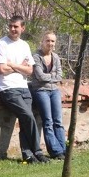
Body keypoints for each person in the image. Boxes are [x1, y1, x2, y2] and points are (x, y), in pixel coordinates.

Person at [0, 15, 47, 164]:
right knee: (28, 116)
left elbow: (29, 71)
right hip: (7, 87)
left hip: (23, 86)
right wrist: (20, 66)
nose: (13, 29)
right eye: (10, 26)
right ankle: (38, 152)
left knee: (26, 120)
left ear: (23, 28)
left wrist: (13, 65)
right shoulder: (1, 44)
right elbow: (2, 70)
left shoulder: (24, 45)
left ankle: (28, 155)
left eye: (16, 26)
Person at [30, 31, 67, 159]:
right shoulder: (36, 57)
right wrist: (53, 76)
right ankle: (55, 151)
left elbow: (60, 75)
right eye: (48, 40)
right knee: (48, 121)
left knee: (58, 121)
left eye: (52, 41)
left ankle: (63, 150)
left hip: (54, 90)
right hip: (40, 90)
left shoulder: (56, 57)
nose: (50, 43)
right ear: (42, 41)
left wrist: (50, 77)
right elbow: (40, 77)